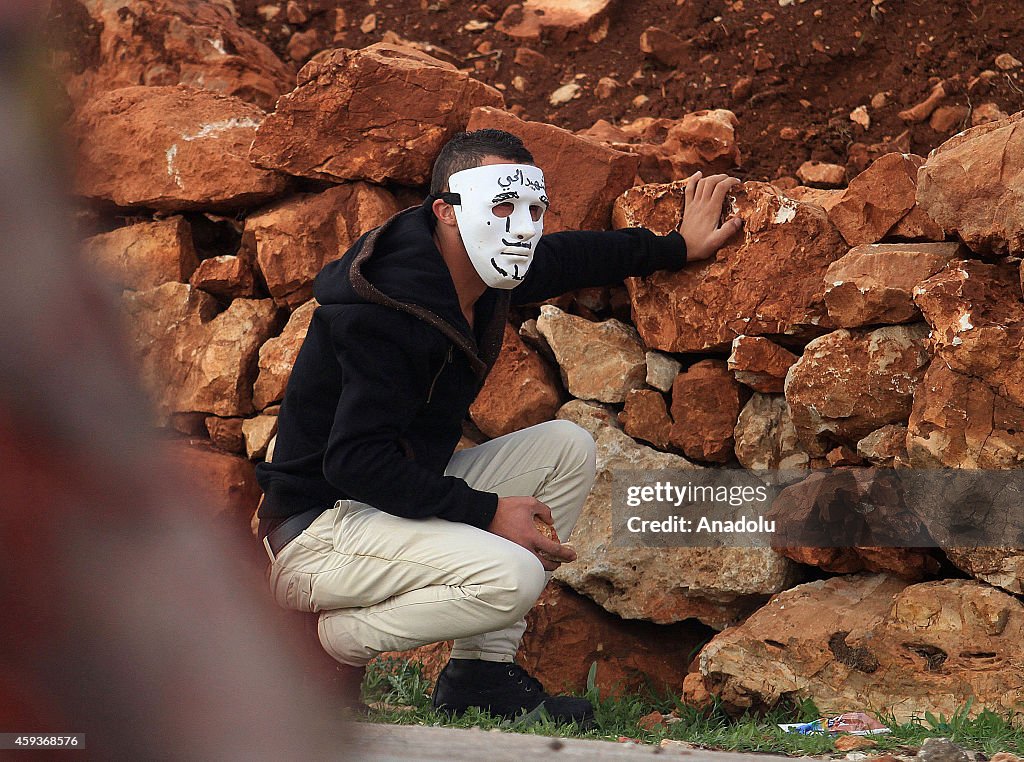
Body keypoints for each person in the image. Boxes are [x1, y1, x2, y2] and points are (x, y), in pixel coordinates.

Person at [255, 129, 742, 726]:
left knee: (567, 447)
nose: (521, 226)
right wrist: (486, 511)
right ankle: (324, 645)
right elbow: (353, 463)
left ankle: (480, 676)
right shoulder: (383, 309)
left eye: (533, 208)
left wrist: (672, 246)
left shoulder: (478, 269)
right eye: (503, 206)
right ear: (447, 211)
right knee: (514, 573)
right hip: (317, 532)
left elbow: (567, 258)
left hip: (381, 506)